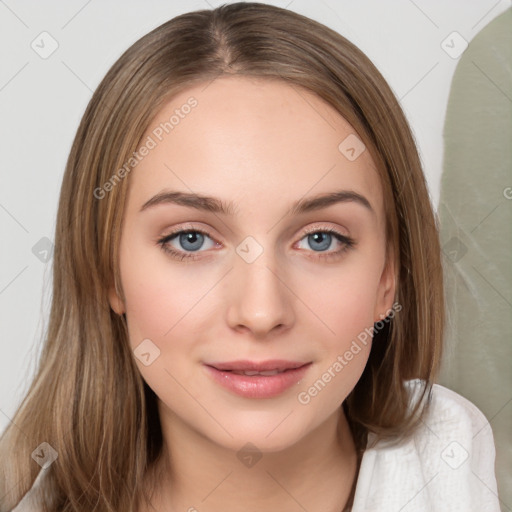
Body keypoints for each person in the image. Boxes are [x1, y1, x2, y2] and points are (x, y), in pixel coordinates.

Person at [0, 3, 500, 511]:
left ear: (388, 278)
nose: (261, 313)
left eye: (321, 239)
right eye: (190, 239)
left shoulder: (455, 462)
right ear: (109, 271)